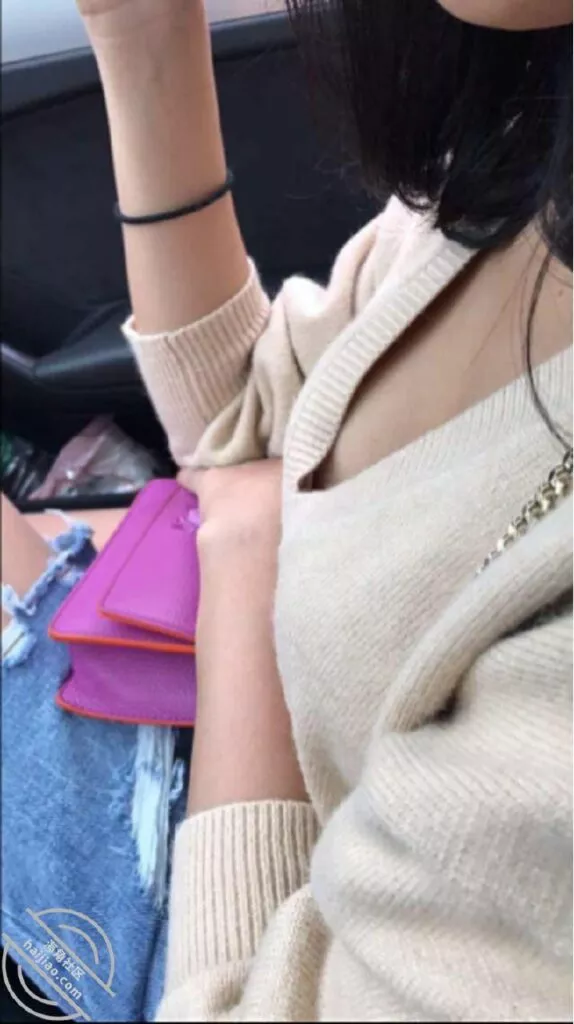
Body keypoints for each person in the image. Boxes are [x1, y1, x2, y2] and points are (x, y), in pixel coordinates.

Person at [2, 0, 572, 1020]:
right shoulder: (525, 147)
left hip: (229, 946)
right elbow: (259, 427)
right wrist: (142, 33)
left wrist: (249, 561)